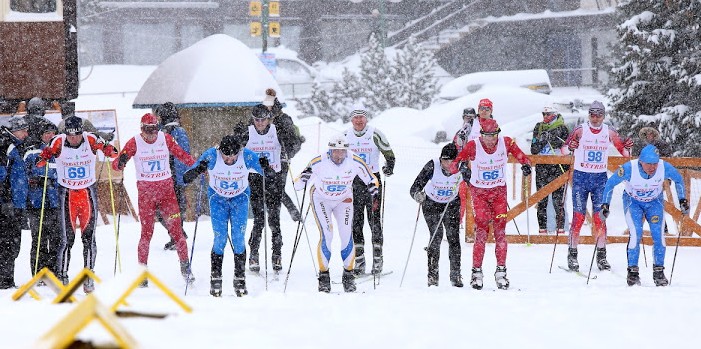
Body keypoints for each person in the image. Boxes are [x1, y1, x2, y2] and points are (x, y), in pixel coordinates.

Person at [113, 113, 195, 286]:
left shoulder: (165, 138)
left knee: (177, 232)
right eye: (147, 130)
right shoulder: (134, 142)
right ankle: (142, 272)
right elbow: (116, 164)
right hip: (146, 196)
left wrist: (199, 165)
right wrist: (120, 161)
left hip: (167, 194)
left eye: (154, 129)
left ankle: (185, 267)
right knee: (146, 233)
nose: (151, 134)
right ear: (141, 129)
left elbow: (182, 155)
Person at [38, 116, 117, 292]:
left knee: (89, 238)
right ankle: (63, 275)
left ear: (82, 132)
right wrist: (43, 158)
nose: (73, 138)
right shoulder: (58, 141)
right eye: (70, 135)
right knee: (67, 239)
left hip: (87, 194)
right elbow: (46, 154)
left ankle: (88, 275)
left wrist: (111, 151)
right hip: (67, 195)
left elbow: (107, 148)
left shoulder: (90, 139)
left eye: (77, 135)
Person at [452, 118, 532, 290]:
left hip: (498, 194)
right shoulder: (473, 145)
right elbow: (455, 163)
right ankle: (476, 272)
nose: (490, 139)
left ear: (498, 134)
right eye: (487, 136)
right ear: (481, 134)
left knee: (500, 232)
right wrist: (463, 169)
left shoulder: (506, 142)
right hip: (479, 193)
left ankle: (501, 272)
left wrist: (525, 164)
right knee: (481, 231)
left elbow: (521, 156)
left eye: (493, 135)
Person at [293, 134, 380, 293]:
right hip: (321, 199)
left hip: (344, 200)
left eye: (342, 151)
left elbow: (371, 178)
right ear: (330, 150)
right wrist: (303, 179)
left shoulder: (354, 160)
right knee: (327, 234)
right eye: (335, 151)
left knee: (347, 234)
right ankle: (324, 276)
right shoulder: (319, 161)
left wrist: (373, 188)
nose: (339, 155)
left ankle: (348, 275)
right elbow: (297, 184)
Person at [183, 135, 265, 297]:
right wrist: (198, 169)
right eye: (225, 156)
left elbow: (268, 172)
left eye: (232, 157)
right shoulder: (212, 155)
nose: (228, 160)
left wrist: (265, 166)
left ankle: (239, 278)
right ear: (220, 151)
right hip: (218, 199)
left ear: (238, 152)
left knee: (238, 238)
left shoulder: (247, 155)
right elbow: (187, 177)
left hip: (240, 198)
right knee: (220, 238)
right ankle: (216, 277)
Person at [600, 145, 687, 286]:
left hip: (654, 203)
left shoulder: (664, 167)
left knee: (658, 236)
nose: (652, 167)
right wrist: (605, 205)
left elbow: (678, 179)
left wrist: (683, 200)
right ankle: (633, 273)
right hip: (633, 202)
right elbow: (610, 183)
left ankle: (659, 272)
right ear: (641, 161)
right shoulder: (629, 168)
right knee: (636, 234)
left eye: (655, 163)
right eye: (649, 164)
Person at [564, 101, 632, 272]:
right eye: (592, 115)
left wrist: (629, 146)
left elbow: (624, 153)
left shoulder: (609, 132)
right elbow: (564, 150)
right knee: (578, 217)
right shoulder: (580, 129)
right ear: (589, 115)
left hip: (600, 179)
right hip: (580, 178)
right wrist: (571, 147)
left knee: (600, 218)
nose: (595, 118)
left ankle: (601, 256)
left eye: (599, 115)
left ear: (603, 115)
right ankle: (572, 255)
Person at [245, 103, 299, 273]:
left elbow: (293, 144)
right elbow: (236, 149)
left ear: (269, 119)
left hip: (273, 179)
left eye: (263, 120)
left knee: (274, 221)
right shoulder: (248, 132)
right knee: (259, 220)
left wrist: (288, 148)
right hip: (255, 179)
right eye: (257, 120)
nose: (260, 123)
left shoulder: (277, 131)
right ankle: (254, 253)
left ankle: (277, 254)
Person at [344, 108, 395, 276]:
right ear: (351, 120)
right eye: (356, 118)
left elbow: (389, 154)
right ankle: (359, 260)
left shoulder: (375, 134)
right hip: (354, 182)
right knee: (355, 221)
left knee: (374, 219)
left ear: (366, 119)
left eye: (362, 118)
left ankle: (378, 258)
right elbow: (337, 157)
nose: (359, 121)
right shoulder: (345, 136)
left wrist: (389, 167)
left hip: (372, 181)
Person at [409, 143, 463, 287]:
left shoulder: (462, 167)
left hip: (451, 204)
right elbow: (415, 186)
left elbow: (474, 182)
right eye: (444, 160)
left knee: (453, 237)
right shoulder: (432, 165)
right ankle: (432, 275)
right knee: (436, 236)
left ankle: (455, 275)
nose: (447, 164)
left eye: (451, 161)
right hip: (431, 204)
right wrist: (417, 195)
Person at [24, 122, 61, 279]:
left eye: (52, 132)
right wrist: (34, 180)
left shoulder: (60, 151)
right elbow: (24, 173)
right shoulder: (32, 152)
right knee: (39, 238)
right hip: (37, 202)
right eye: (46, 133)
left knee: (55, 238)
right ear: (40, 135)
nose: (50, 136)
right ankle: (38, 272)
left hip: (55, 201)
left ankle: (53, 271)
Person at [261, 89, 303, 222]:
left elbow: (295, 141)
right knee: (268, 187)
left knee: (277, 188)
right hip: (265, 160)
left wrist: (287, 153)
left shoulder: (284, 119)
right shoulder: (261, 119)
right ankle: (286, 211)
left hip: (281, 159)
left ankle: (288, 212)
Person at [155, 102, 191, 251]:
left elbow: (181, 154)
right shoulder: (176, 131)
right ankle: (177, 234)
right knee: (172, 209)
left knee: (165, 209)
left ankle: (177, 236)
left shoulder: (169, 132)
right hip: (173, 176)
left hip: (171, 176)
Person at [530, 106, 570, 235]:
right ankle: (542, 229)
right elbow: (533, 149)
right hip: (542, 165)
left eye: (548, 114)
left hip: (558, 166)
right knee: (542, 198)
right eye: (544, 114)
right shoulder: (539, 127)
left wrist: (554, 139)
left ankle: (560, 229)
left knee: (559, 199)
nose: (545, 117)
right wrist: (542, 140)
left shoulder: (563, 128)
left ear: (554, 115)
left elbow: (568, 147)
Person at [0, 116, 30, 289]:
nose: (26, 133)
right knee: (8, 244)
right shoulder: (5, 146)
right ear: (14, 130)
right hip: (7, 205)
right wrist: (6, 200)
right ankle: (4, 281)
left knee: (12, 244)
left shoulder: (13, 146)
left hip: (14, 204)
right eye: (23, 130)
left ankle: (7, 279)